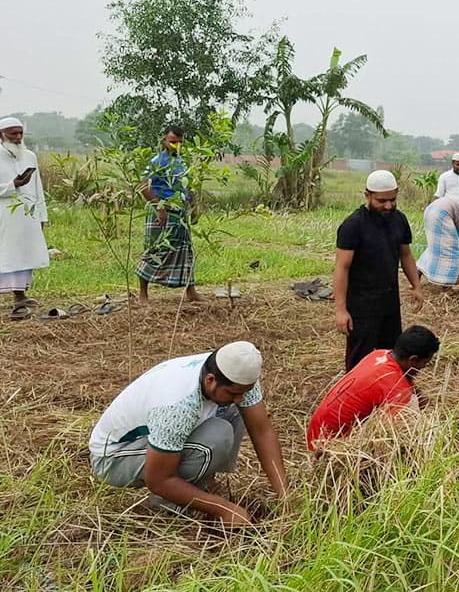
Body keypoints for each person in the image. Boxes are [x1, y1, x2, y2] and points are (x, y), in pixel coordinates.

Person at [88, 341, 289, 526]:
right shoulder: (177, 406)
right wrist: (224, 509)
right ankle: (168, 503)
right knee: (217, 436)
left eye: (244, 392)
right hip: (113, 458)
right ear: (210, 380)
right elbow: (157, 480)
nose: (239, 398)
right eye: (233, 393)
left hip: (153, 443)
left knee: (237, 410)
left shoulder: (235, 375)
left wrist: (285, 495)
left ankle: (201, 484)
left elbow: (262, 431)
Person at [335, 170, 424, 372]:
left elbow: (406, 255)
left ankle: (388, 396)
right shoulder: (353, 225)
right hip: (361, 305)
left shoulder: (399, 219)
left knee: (392, 355)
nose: (388, 206)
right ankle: (355, 397)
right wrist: (341, 309)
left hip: (390, 301)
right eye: (381, 201)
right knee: (360, 359)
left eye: (393, 200)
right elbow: (342, 267)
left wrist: (416, 286)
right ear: (367, 195)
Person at [307, 326, 440, 452]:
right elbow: (395, 436)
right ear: (413, 360)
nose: (423, 368)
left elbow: (410, 389)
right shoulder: (397, 389)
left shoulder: (379, 354)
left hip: (316, 432)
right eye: (424, 363)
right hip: (330, 448)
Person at [137, 126, 200, 303]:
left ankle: (191, 291)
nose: (176, 146)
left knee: (185, 251)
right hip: (162, 213)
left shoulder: (182, 162)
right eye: (173, 142)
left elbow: (188, 186)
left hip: (180, 213)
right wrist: (160, 208)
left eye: (180, 142)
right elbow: (143, 186)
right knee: (155, 250)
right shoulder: (157, 162)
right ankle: (143, 293)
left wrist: (194, 207)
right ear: (164, 141)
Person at [0, 117, 49, 311]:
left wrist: (42, 216)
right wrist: (13, 186)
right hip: (5, 215)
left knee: (24, 254)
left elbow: (38, 189)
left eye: (21, 133)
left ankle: (20, 296)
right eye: (13, 133)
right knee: (6, 254)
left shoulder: (29, 156)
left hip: (28, 215)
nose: (18, 137)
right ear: (2, 134)